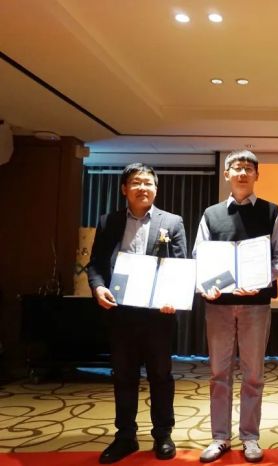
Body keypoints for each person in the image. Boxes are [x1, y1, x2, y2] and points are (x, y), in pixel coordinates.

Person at [88, 163, 187, 464]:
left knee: (161, 375)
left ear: (156, 189)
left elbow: (180, 266)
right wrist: (98, 288)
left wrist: (173, 297)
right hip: (121, 312)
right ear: (124, 189)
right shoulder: (109, 221)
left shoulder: (172, 222)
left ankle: (163, 434)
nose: (142, 187)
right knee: (123, 376)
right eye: (135, 182)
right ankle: (125, 436)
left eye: (148, 183)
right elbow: (95, 264)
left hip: (158, 314)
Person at [194, 149, 278, 464]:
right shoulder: (211, 214)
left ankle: (250, 437)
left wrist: (262, 279)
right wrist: (206, 285)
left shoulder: (271, 211)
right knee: (218, 373)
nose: (243, 173)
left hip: (256, 304)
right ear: (227, 174)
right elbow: (200, 255)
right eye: (237, 167)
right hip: (219, 305)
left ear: (257, 175)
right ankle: (220, 437)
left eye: (249, 168)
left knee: (253, 374)